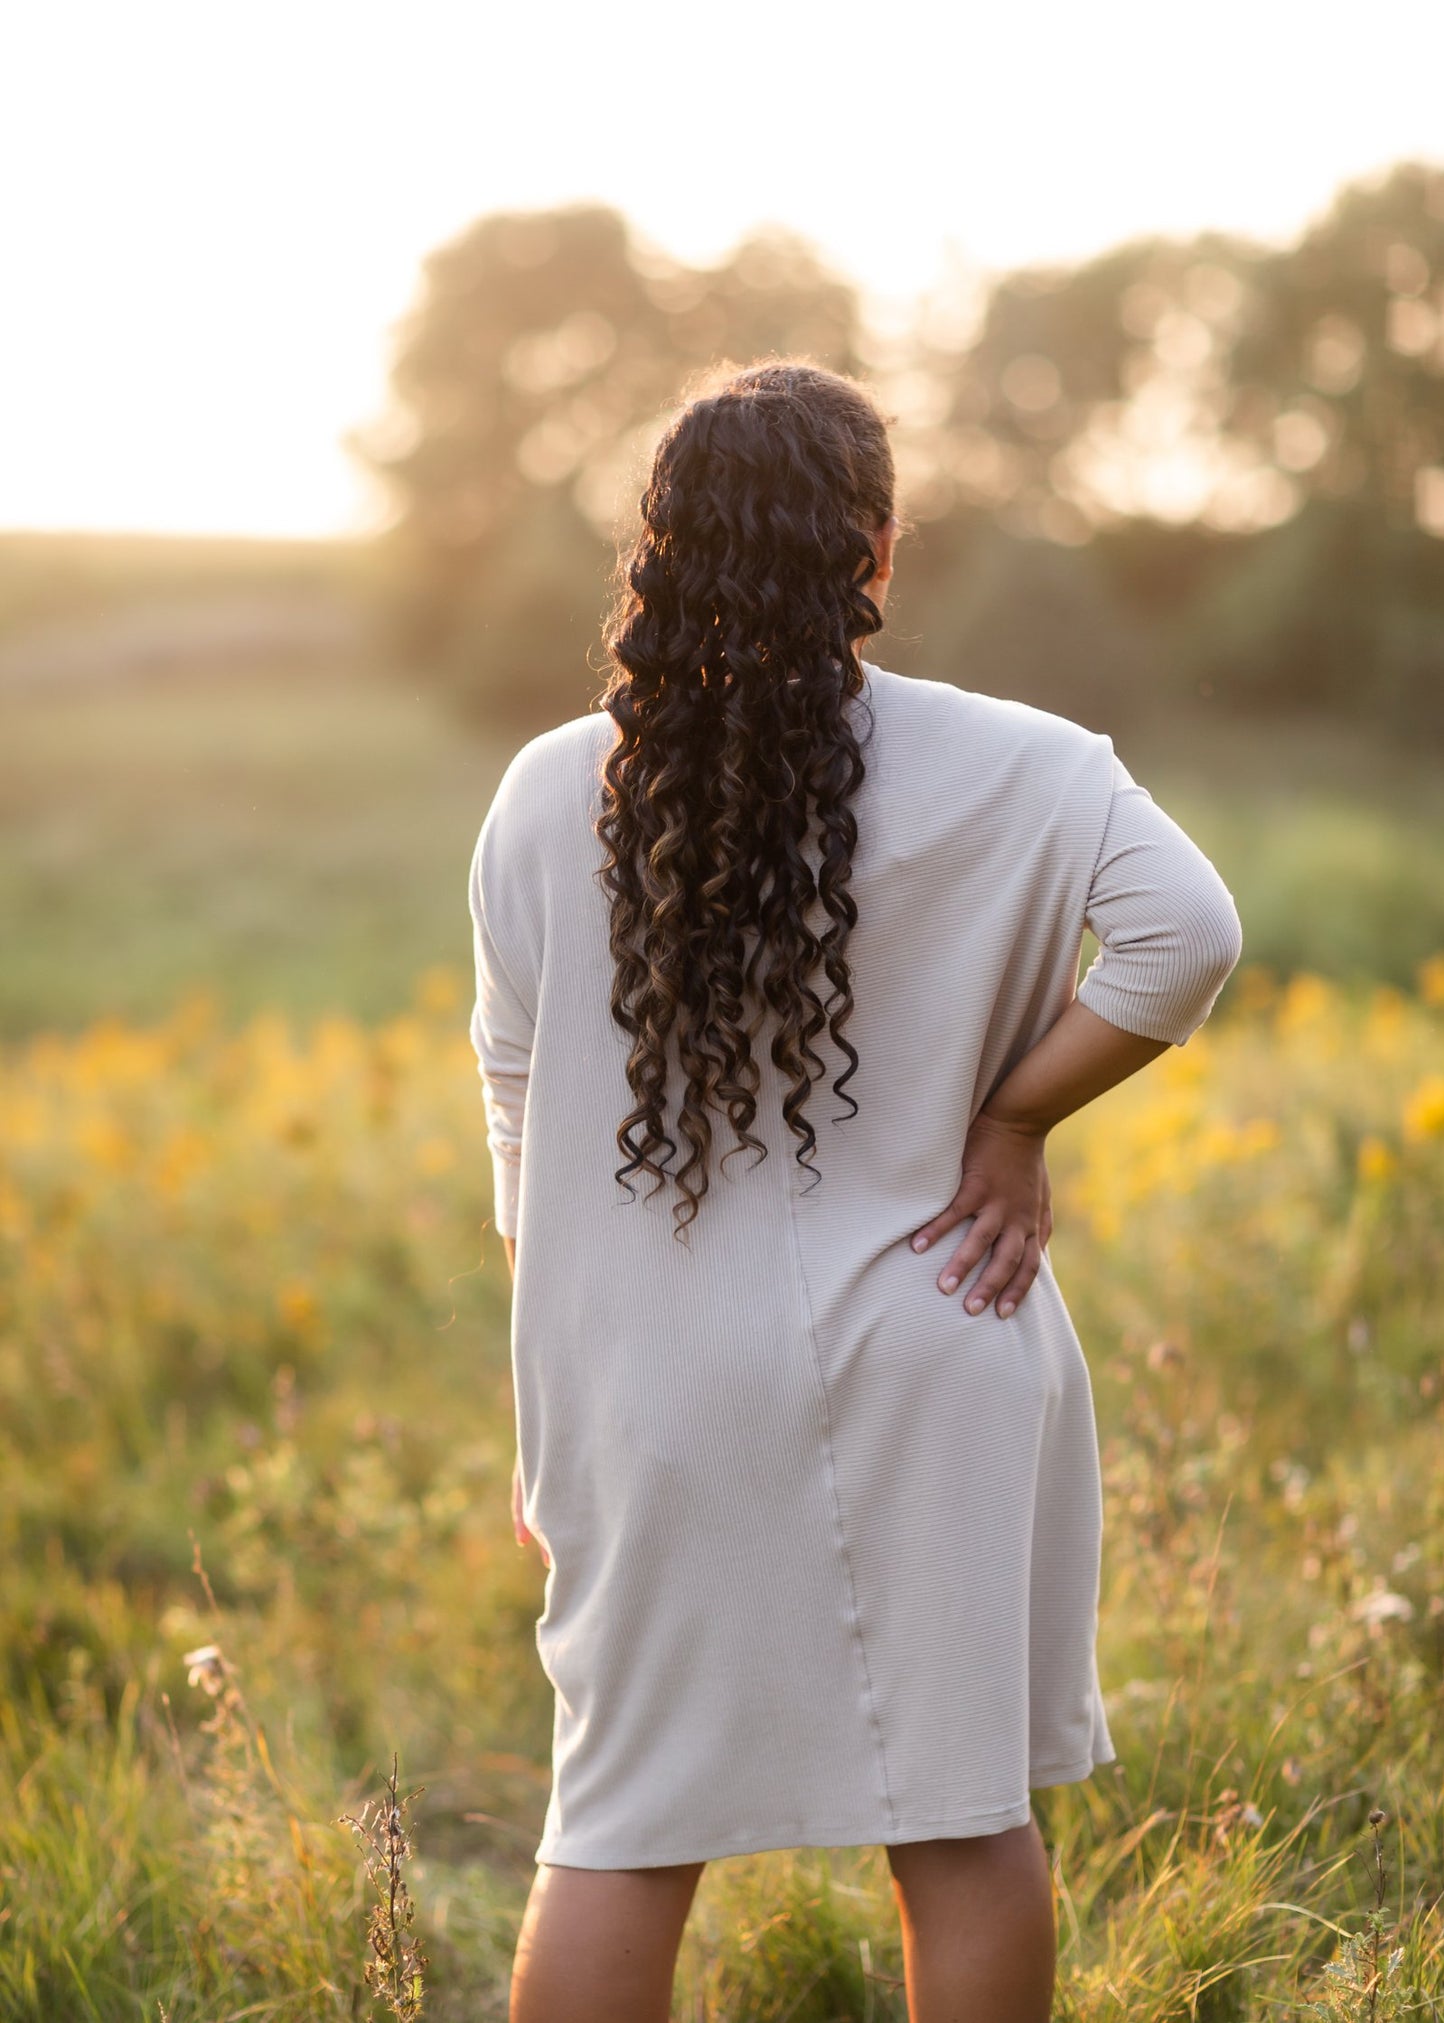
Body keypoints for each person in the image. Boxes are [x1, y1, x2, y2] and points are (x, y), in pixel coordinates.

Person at [467, 358, 1243, 2023]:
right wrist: (1013, 1124)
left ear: (660, 550)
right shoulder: (1026, 765)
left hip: (654, 1390)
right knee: (960, 1826)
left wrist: (561, 1407)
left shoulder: (546, 792)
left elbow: (515, 1110)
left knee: (617, 1829)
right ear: (872, 553)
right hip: (939, 1331)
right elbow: (1191, 936)